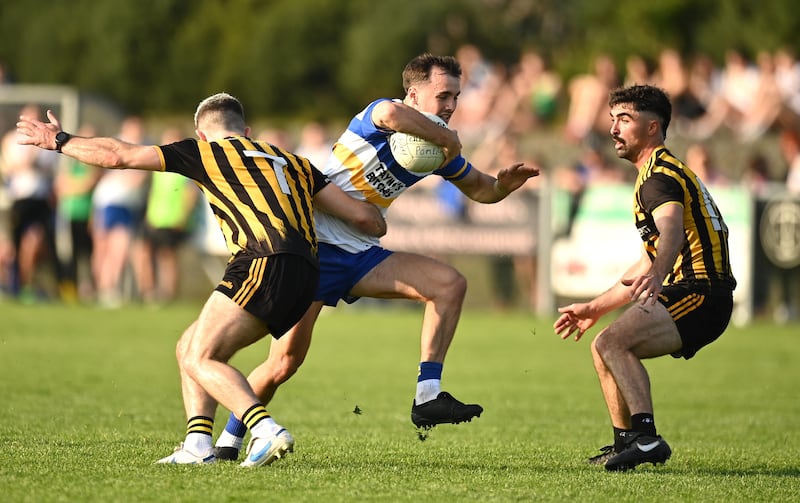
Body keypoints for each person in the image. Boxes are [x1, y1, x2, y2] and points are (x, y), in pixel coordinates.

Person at [16, 92, 387, 467]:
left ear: (201, 133)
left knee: (199, 356)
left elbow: (118, 155)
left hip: (262, 261)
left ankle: (265, 430)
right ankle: (198, 445)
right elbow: (362, 217)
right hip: (309, 275)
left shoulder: (205, 152)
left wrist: (59, 141)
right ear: (247, 130)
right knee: (189, 346)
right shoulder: (292, 161)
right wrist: (383, 211)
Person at [212, 53, 540, 461]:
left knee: (450, 285)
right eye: (443, 95)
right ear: (414, 94)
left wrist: (503, 186)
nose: (452, 106)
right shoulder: (381, 115)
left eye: (456, 96)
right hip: (314, 250)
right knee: (283, 363)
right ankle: (227, 443)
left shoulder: (435, 145)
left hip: (361, 254)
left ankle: (427, 396)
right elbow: (388, 113)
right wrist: (446, 137)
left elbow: (480, 189)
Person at [553, 85, 736, 472]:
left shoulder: (658, 178)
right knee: (603, 345)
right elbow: (644, 261)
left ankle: (647, 437)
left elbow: (669, 232)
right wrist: (593, 308)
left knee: (614, 343)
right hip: (696, 290)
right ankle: (627, 442)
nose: (613, 129)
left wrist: (658, 274)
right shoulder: (658, 172)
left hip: (701, 292)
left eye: (624, 120)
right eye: (612, 119)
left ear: (653, 128)